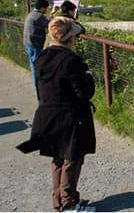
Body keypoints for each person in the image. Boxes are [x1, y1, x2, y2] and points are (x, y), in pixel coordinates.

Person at [17, 16, 96, 212]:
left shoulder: (42, 58)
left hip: (48, 114)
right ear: (70, 38)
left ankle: (59, 201)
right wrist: (89, 77)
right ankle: (69, 202)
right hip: (70, 115)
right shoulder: (71, 61)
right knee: (73, 158)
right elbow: (84, 93)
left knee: (58, 158)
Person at [23, 0, 50, 92]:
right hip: (35, 45)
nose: (46, 10)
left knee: (33, 64)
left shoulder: (31, 14)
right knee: (37, 65)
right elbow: (50, 24)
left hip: (27, 43)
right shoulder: (39, 16)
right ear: (42, 8)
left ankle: (37, 85)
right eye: (46, 8)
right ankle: (38, 86)